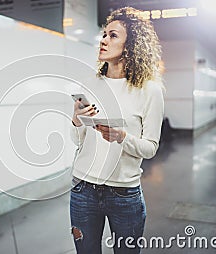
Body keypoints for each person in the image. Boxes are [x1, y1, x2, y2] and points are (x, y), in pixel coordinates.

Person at [69, 7, 164, 254]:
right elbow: (76, 140)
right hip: (82, 190)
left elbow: (151, 148)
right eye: (104, 34)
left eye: (113, 36)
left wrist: (122, 137)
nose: (103, 40)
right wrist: (76, 121)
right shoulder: (89, 83)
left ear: (131, 45)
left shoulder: (149, 90)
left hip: (124, 194)